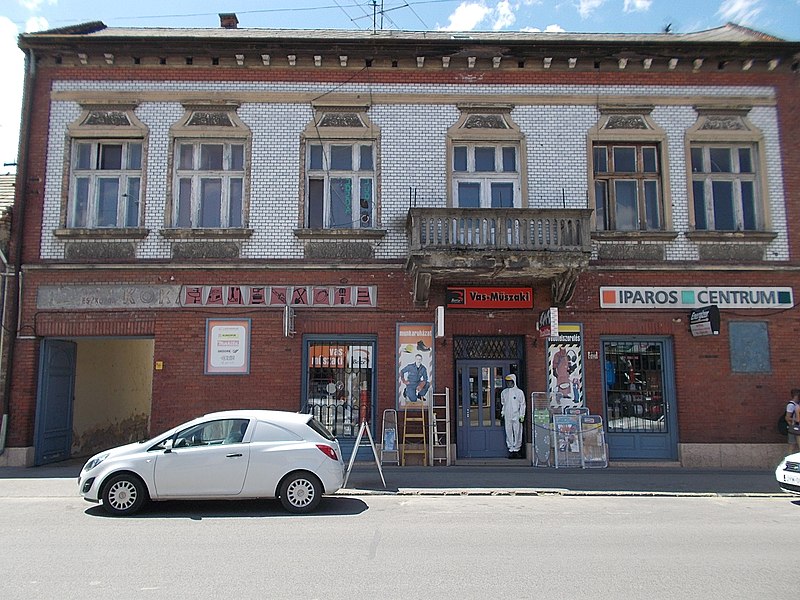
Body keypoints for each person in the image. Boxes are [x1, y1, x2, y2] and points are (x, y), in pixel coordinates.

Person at [501, 373, 526, 458]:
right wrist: (503, 413)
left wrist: (522, 415)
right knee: (508, 432)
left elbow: (522, 404)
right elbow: (503, 404)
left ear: (514, 381)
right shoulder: (504, 392)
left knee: (517, 432)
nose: (508, 383)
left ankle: (517, 449)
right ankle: (511, 449)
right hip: (507, 415)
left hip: (516, 414)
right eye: (507, 382)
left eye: (510, 382)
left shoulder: (519, 392)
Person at [786, 388, 800, 454]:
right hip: (795, 427)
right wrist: (792, 424)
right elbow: (787, 417)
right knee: (792, 446)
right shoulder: (791, 405)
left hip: (795, 427)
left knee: (792, 446)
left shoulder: (796, 405)